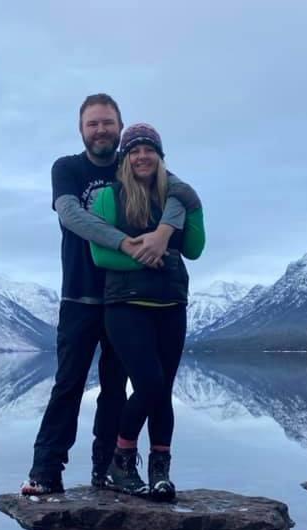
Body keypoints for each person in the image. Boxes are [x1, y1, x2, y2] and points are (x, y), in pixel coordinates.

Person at [21, 94, 201, 496]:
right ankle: (44, 471)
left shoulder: (133, 169)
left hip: (127, 302)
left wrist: (163, 232)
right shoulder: (67, 168)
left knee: (117, 390)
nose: (100, 129)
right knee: (68, 384)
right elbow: (71, 215)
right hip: (81, 296)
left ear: (119, 128)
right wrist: (127, 244)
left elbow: (180, 191)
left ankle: (105, 471)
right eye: (92, 124)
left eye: (107, 123)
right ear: (81, 130)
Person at [90, 123, 205, 501]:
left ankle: (160, 472)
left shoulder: (176, 198)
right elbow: (101, 253)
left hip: (171, 303)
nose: (142, 156)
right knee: (150, 384)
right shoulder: (108, 197)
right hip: (124, 306)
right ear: (125, 157)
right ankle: (121, 462)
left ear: (159, 156)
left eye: (149, 150)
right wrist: (150, 255)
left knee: (163, 392)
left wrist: (194, 206)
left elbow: (195, 248)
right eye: (135, 150)